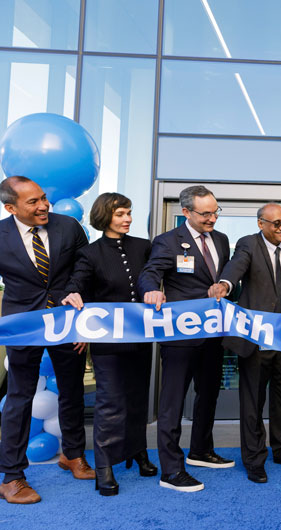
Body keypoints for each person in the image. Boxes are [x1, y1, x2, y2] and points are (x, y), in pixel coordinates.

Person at [0, 176, 93, 504]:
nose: (43, 206)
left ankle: (73, 454)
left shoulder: (69, 227)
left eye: (43, 198)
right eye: (32, 202)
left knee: (72, 391)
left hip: (67, 323)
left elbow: (85, 267)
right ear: (11, 207)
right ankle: (11, 476)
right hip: (22, 325)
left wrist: (76, 299)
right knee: (19, 397)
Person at [138, 185, 232, 492]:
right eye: (205, 213)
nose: (212, 219)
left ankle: (201, 451)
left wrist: (225, 288)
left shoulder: (221, 240)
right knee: (173, 402)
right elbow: (150, 273)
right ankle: (171, 470)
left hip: (213, 333)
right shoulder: (168, 241)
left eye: (215, 211)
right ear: (187, 212)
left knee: (208, 395)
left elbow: (220, 281)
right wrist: (151, 289)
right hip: (181, 335)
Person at [61, 193, 156, 496]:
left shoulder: (144, 247)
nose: (127, 219)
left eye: (129, 213)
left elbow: (152, 280)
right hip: (107, 343)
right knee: (110, 403)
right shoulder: (90, 253)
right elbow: (77, 284)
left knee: (138, 399)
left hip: (141, 338)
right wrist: (73, 295)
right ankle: (104, 465)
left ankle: (137, 450)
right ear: (105, 217)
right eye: (120, 214)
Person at [208, 202, 281, 484]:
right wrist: (224, 285)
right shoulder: (248, 244)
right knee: (253, 401)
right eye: (277, 223)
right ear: (261, 223)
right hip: (257, 338)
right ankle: (254, 459)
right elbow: (236, 267)